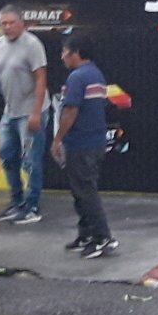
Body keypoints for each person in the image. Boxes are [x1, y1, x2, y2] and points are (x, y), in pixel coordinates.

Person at [51, 33, 114, 258]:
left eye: (65, 52)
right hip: (95, 142)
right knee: (81, 191)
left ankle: (101, 237)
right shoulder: (96, 74)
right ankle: (86, 234)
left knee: (86, 192)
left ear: (75, 53)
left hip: (81, 144)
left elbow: (70, 110)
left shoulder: (77, 78)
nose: (62, 57)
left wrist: (58, 139)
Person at [0, 5, 49, 226]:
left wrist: (36, 112)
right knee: (6, 154)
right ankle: (17, 202)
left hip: (30, 111)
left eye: (10, 23)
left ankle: (32, 206)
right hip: (10, 110)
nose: (6, 27)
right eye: (3, 23)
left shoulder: (32, 45)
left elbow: (41, 79)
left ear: (22, 23)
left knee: (31, 160)